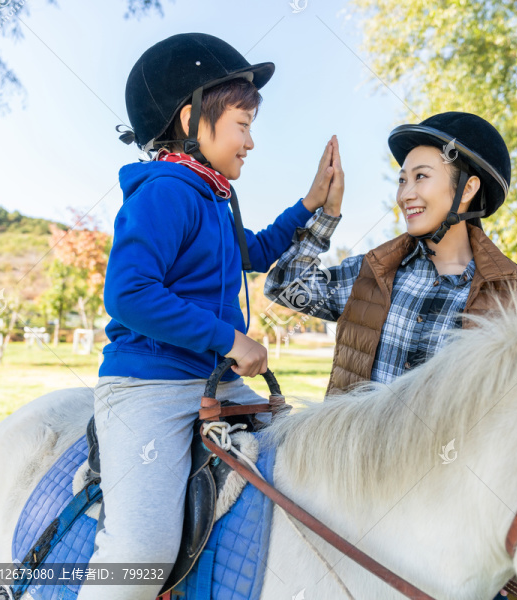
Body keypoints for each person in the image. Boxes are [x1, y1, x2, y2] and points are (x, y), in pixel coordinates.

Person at [81, 33, 336, 600]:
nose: (250, 142)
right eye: (243, 125)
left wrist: (311, 202)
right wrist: (229, 339)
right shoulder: (166, 192)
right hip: (148, 386)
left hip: (211, 384)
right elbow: (129, 294)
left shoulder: (209, 197)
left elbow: (256, 249)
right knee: (140, 554)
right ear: (193, 118)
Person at [265, 111, 517, 397]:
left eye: (421, 176)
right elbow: (285, 286)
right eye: (401, 180)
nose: (404, 195)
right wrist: (328, 214)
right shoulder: (372, 272)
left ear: (467, 188)